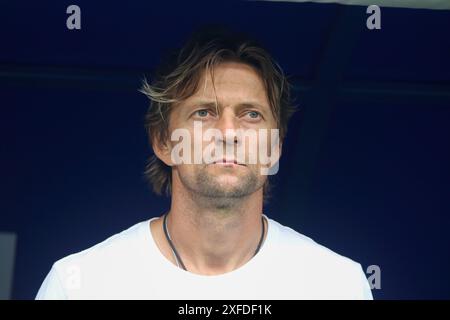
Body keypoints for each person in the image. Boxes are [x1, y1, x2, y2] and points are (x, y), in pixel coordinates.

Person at [36, 26, 373, 299]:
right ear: (164, 142)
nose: (228, 132)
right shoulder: (81, 284)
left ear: (275, 147)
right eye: (204, 113)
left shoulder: (336, 284)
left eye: (251, 115)